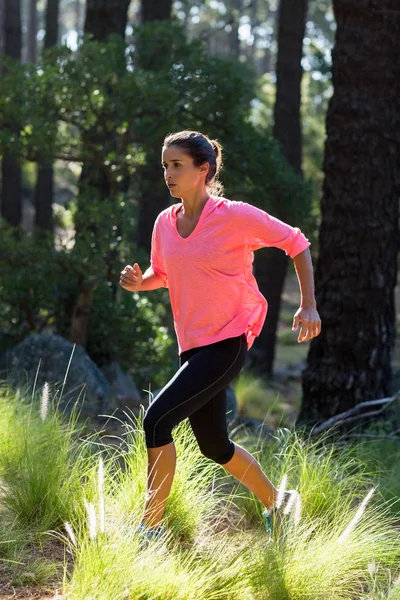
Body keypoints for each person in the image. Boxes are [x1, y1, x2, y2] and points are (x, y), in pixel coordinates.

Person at [119, 129, 321, 540]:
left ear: (203, 169)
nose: (168, 173)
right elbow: (164, 274)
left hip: (226, 342)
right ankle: (279, 504)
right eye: (165, 165)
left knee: (156, 419)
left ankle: (149, 531)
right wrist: (141, 283)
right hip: (191, 345)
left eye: (177, 165)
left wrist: (308, 304)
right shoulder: (164, 223)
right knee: (214, 446)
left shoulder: (235, 216)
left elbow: (296, 242)